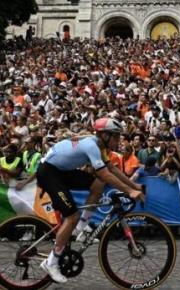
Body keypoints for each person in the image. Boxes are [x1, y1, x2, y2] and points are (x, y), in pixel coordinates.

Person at [36, 118, 144, 284]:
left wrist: (134, 185)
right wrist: (129, 191)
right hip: (49, 172)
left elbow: (112, 169)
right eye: (116, 136)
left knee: (98, 184)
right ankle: (51, 262)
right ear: (105, 135)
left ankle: (81, 229)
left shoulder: (99, 146)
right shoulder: (91, 145)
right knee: (72, 215)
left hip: (61, 171)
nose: (118, 140)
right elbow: (105, 173)